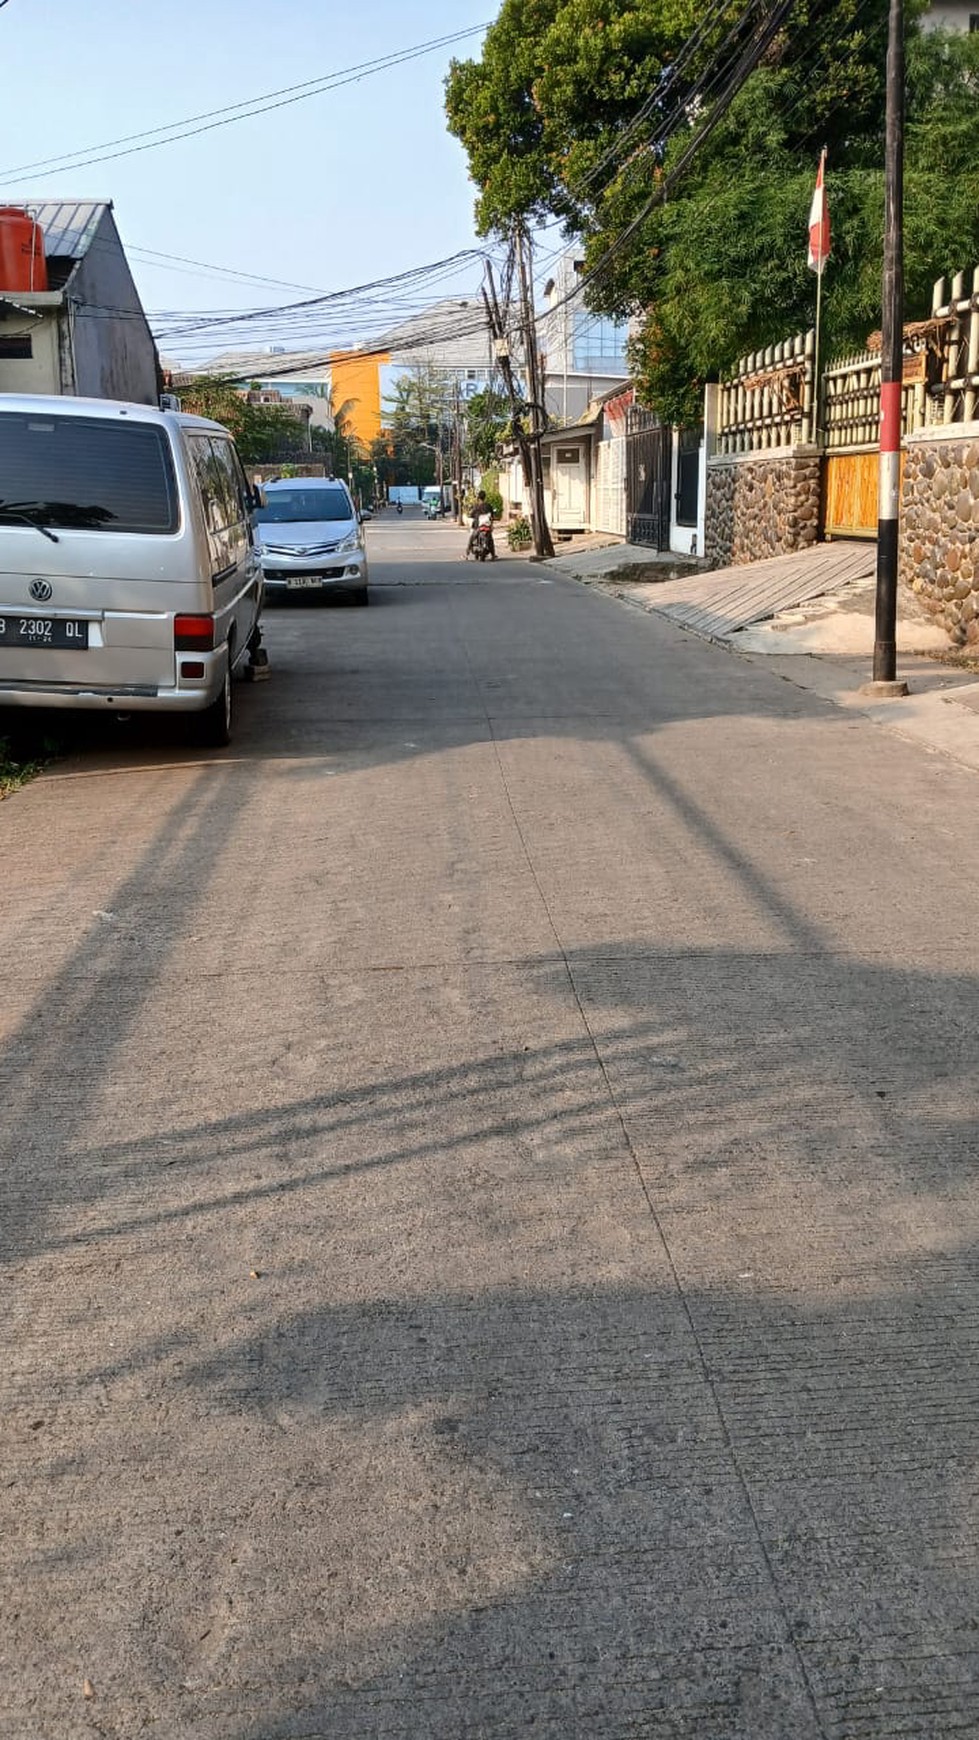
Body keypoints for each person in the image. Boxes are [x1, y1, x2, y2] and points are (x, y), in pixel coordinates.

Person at [466, 490, 497, 561]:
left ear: (478, 498)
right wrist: (491, 524)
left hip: (478, 527)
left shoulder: (476, 506)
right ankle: (493, 555)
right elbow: (492, 516)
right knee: (491, 540)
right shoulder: (488, 506)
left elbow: (471, 515)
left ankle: (467, 554)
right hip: (487, 526)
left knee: (471, 538)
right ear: (484, 497)